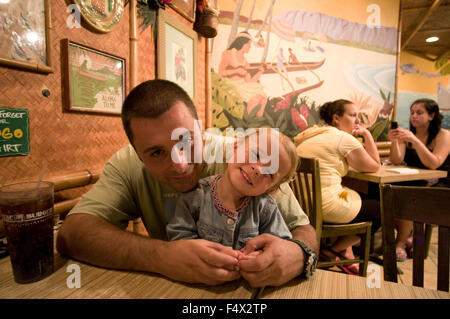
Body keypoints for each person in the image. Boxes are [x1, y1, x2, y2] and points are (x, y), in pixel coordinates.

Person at [56, 79, 318, 287]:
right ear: (138, 154)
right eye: (157, 153)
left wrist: (297, 254)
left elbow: (304, 231)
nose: (180, 164)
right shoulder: (127, 165)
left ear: (200, 129)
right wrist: (162, 257)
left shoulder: (243, 160)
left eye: (187, 141)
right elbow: (73, 234)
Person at [167, 129, 298, 255]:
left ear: (271, 188)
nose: (258, 169)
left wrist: (261, 258)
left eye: (270, 173)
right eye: (256, 155)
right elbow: (179, 238)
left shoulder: (266, 209)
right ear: (235, 148)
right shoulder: (195, 197)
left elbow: (279, 248)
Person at [294, 99, 381, 275]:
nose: (357, 121)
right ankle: (333, 250)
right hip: (326, 206)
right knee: (381, 209)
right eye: (353, 115)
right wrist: (367, 134)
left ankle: (343, 252)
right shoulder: (344, 139)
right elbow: (375, 165)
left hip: (304, 204)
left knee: (360, 196)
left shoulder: (313, 134)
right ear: (336, 118)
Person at [388, 98, 449, 261]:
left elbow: (434, 163)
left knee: (409, 197)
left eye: (419, 113)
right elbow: (396, 159)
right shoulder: (408, 134)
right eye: (412, 112)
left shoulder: (443, 135)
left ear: (432, 115)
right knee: (388, 192)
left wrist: (414, 141)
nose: (414, 116)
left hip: (441, 183)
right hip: (415, 179)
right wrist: (395, 141)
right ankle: (409, 237)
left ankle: (400, 243)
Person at [218, 31, 268, 117]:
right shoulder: (228, 53)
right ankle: (248, 121)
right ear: (243, 43)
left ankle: (258, 121)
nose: (250, 47)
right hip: (231, 84)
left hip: (242, 84)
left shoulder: (245, 62)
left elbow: (249, 81)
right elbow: (221, 72)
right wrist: (236, 71)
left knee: (263, 99)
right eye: (249, 44)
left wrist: (260, 72)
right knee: (255, 99)